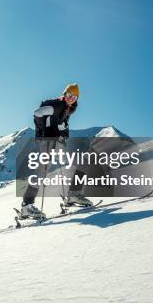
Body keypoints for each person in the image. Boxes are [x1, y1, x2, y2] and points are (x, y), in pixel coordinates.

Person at [19, 83, 93, 219]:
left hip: (56, 141)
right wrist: (45, 130)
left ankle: (73, 195)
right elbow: (37, 113)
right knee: (42, 171)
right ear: (65, 94)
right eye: (69, 95)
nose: (71, 98)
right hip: (46, 141)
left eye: (74, 97)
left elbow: (62, 125)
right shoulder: (57, 105)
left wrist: (62, 132)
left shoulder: (68, 109)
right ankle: (27, 206)